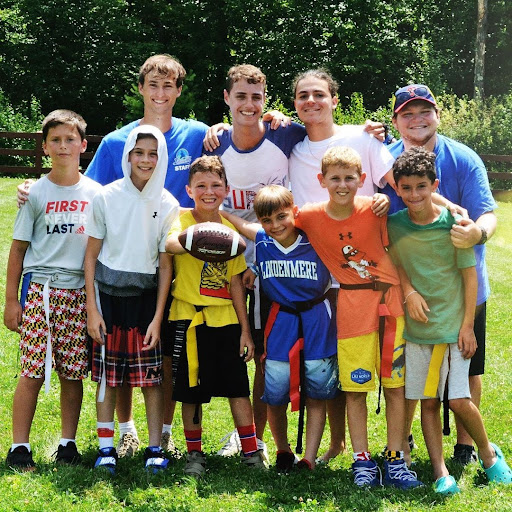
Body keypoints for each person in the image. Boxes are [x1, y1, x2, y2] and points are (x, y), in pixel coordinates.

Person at [381, 84, 498, 465]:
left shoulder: (463, 158)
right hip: (409, 289)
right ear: (395, 120)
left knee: (468, 365)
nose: (417, 120)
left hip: (464, 287)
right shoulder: (385, 160)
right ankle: (406, 443)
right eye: (407, 113)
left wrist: (477, 232)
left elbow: (487, 213)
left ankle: (466, 446)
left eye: (424, 111)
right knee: (411, 371)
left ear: (437, 115)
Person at [294, 146, 422, 488]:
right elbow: (271, 221)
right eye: (334, 178)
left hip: (391, 305)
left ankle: (395, 458)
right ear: (321, 181)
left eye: (350, 178)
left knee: (396, 386)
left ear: (362, 180)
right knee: (355, 388)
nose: (342, 184)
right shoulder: (307, 215)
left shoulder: (376, 208)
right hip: (351, 309)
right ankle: (362, 460)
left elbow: (403, 238)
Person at [387, 146, 512, 493]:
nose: (414, 194)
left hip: (454, 329)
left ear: (435, 185)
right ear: (397, 188)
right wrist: (409, 291)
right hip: (417, 332)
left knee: (458, 400)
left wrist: (468, 325)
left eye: (422, 187)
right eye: (407, 188)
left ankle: (489, 455)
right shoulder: (395, 226)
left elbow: (470, 278)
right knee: (427, 402)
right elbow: (396, 264)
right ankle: (441, 472)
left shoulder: (455, 226)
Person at [206, 64, 305, 459]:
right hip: (226, 263)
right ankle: (240, 432)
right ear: (227, 99)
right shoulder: (211, 143)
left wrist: (371, 130)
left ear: (266, 100)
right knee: (226, 348)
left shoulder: (285, 134)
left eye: (257, 97)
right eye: (241, 96)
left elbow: (327, 131)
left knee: (266, 355)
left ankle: (256, 439)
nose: (249, 104)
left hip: (272, 266)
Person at [4, 110, 102, 470]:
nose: (63, 146)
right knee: (31, 371)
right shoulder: (34, 193)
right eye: (56, 140)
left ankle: (67, 443)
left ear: (83, 144)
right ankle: (19, 447)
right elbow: (18, 249)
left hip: (77, 292)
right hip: (40, 292)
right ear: (44, 147)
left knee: (72, 372)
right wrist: (11, 300)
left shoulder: (96, 193)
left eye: (70, 139)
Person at [221, 185, 339, 471]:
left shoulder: (315, 237)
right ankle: (283, 450)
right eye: (267, 220)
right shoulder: (262, 240)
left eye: (281, 217)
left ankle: (309, 457)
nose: (275, 225)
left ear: (294, 212)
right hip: (281, 319)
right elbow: (239, 224)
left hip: (317, 317)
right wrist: (218, 211)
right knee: (275, 391)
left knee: (317, 390)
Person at [85, 125, 179, 475]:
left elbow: (165, 265)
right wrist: (92, 309)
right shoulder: (106, 197)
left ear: (161, 158)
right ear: (127, 155)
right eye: (138, 152)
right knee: (108, 377)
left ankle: (155, 446)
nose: (145, 159)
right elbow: (91, 256)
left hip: (146, 302)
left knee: (151, 379)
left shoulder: (167, 203)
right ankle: (106, 447)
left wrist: (157, 318)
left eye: (152, 154)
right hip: (108, 300)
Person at [165, 155, 266, 478]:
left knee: (238, 389)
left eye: (216, 185)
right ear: (189, 189)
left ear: (226, 189)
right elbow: (168, 245)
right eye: (201, 186)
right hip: (188, 317)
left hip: (226, 320)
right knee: (190, 392)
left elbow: (236, 282)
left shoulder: (229, 231)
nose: (209, 191)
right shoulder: (181, 222)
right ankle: (194, 454)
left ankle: (251, 452)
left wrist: (246, 331)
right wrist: (195, 238)